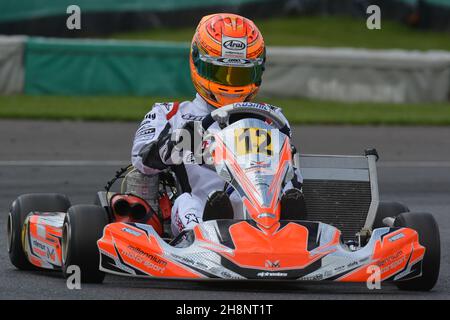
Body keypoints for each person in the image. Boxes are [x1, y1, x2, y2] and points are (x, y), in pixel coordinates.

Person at [131, 13, 305, 237]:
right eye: (221, 73)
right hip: (200, 212)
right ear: (198, 62)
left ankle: (293, 227)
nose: (230, 85)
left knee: (287, 186)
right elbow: (140, 160)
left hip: (262, 214)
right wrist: (174, 143)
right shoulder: (171, 114)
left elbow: (292, 173)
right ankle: (208, 233)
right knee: (187, 203)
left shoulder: (270, 118)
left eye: (240, 75)